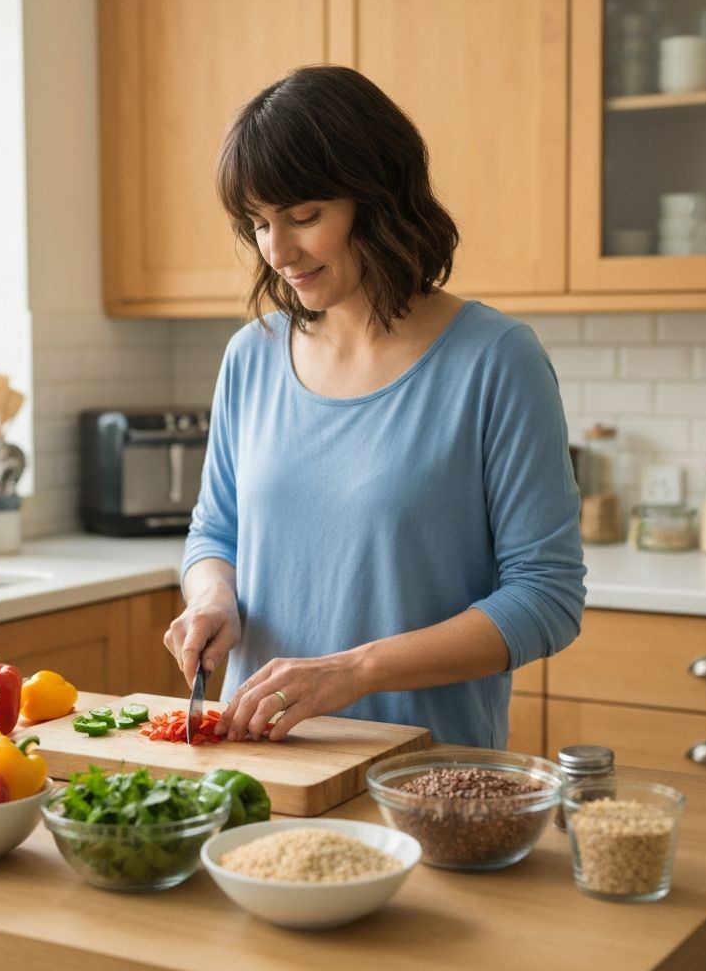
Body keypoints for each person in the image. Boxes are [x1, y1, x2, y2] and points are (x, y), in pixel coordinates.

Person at [165, 65, 585, 746]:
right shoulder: (252, 355)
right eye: (259, 224)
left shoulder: (495, 359)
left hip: (426, 780)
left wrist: (358, 669)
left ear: (379, 198)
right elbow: (216, 532)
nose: (278, 251)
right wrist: (213, 598)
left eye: (304, 217)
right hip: (262, 766)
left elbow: (547, 597)